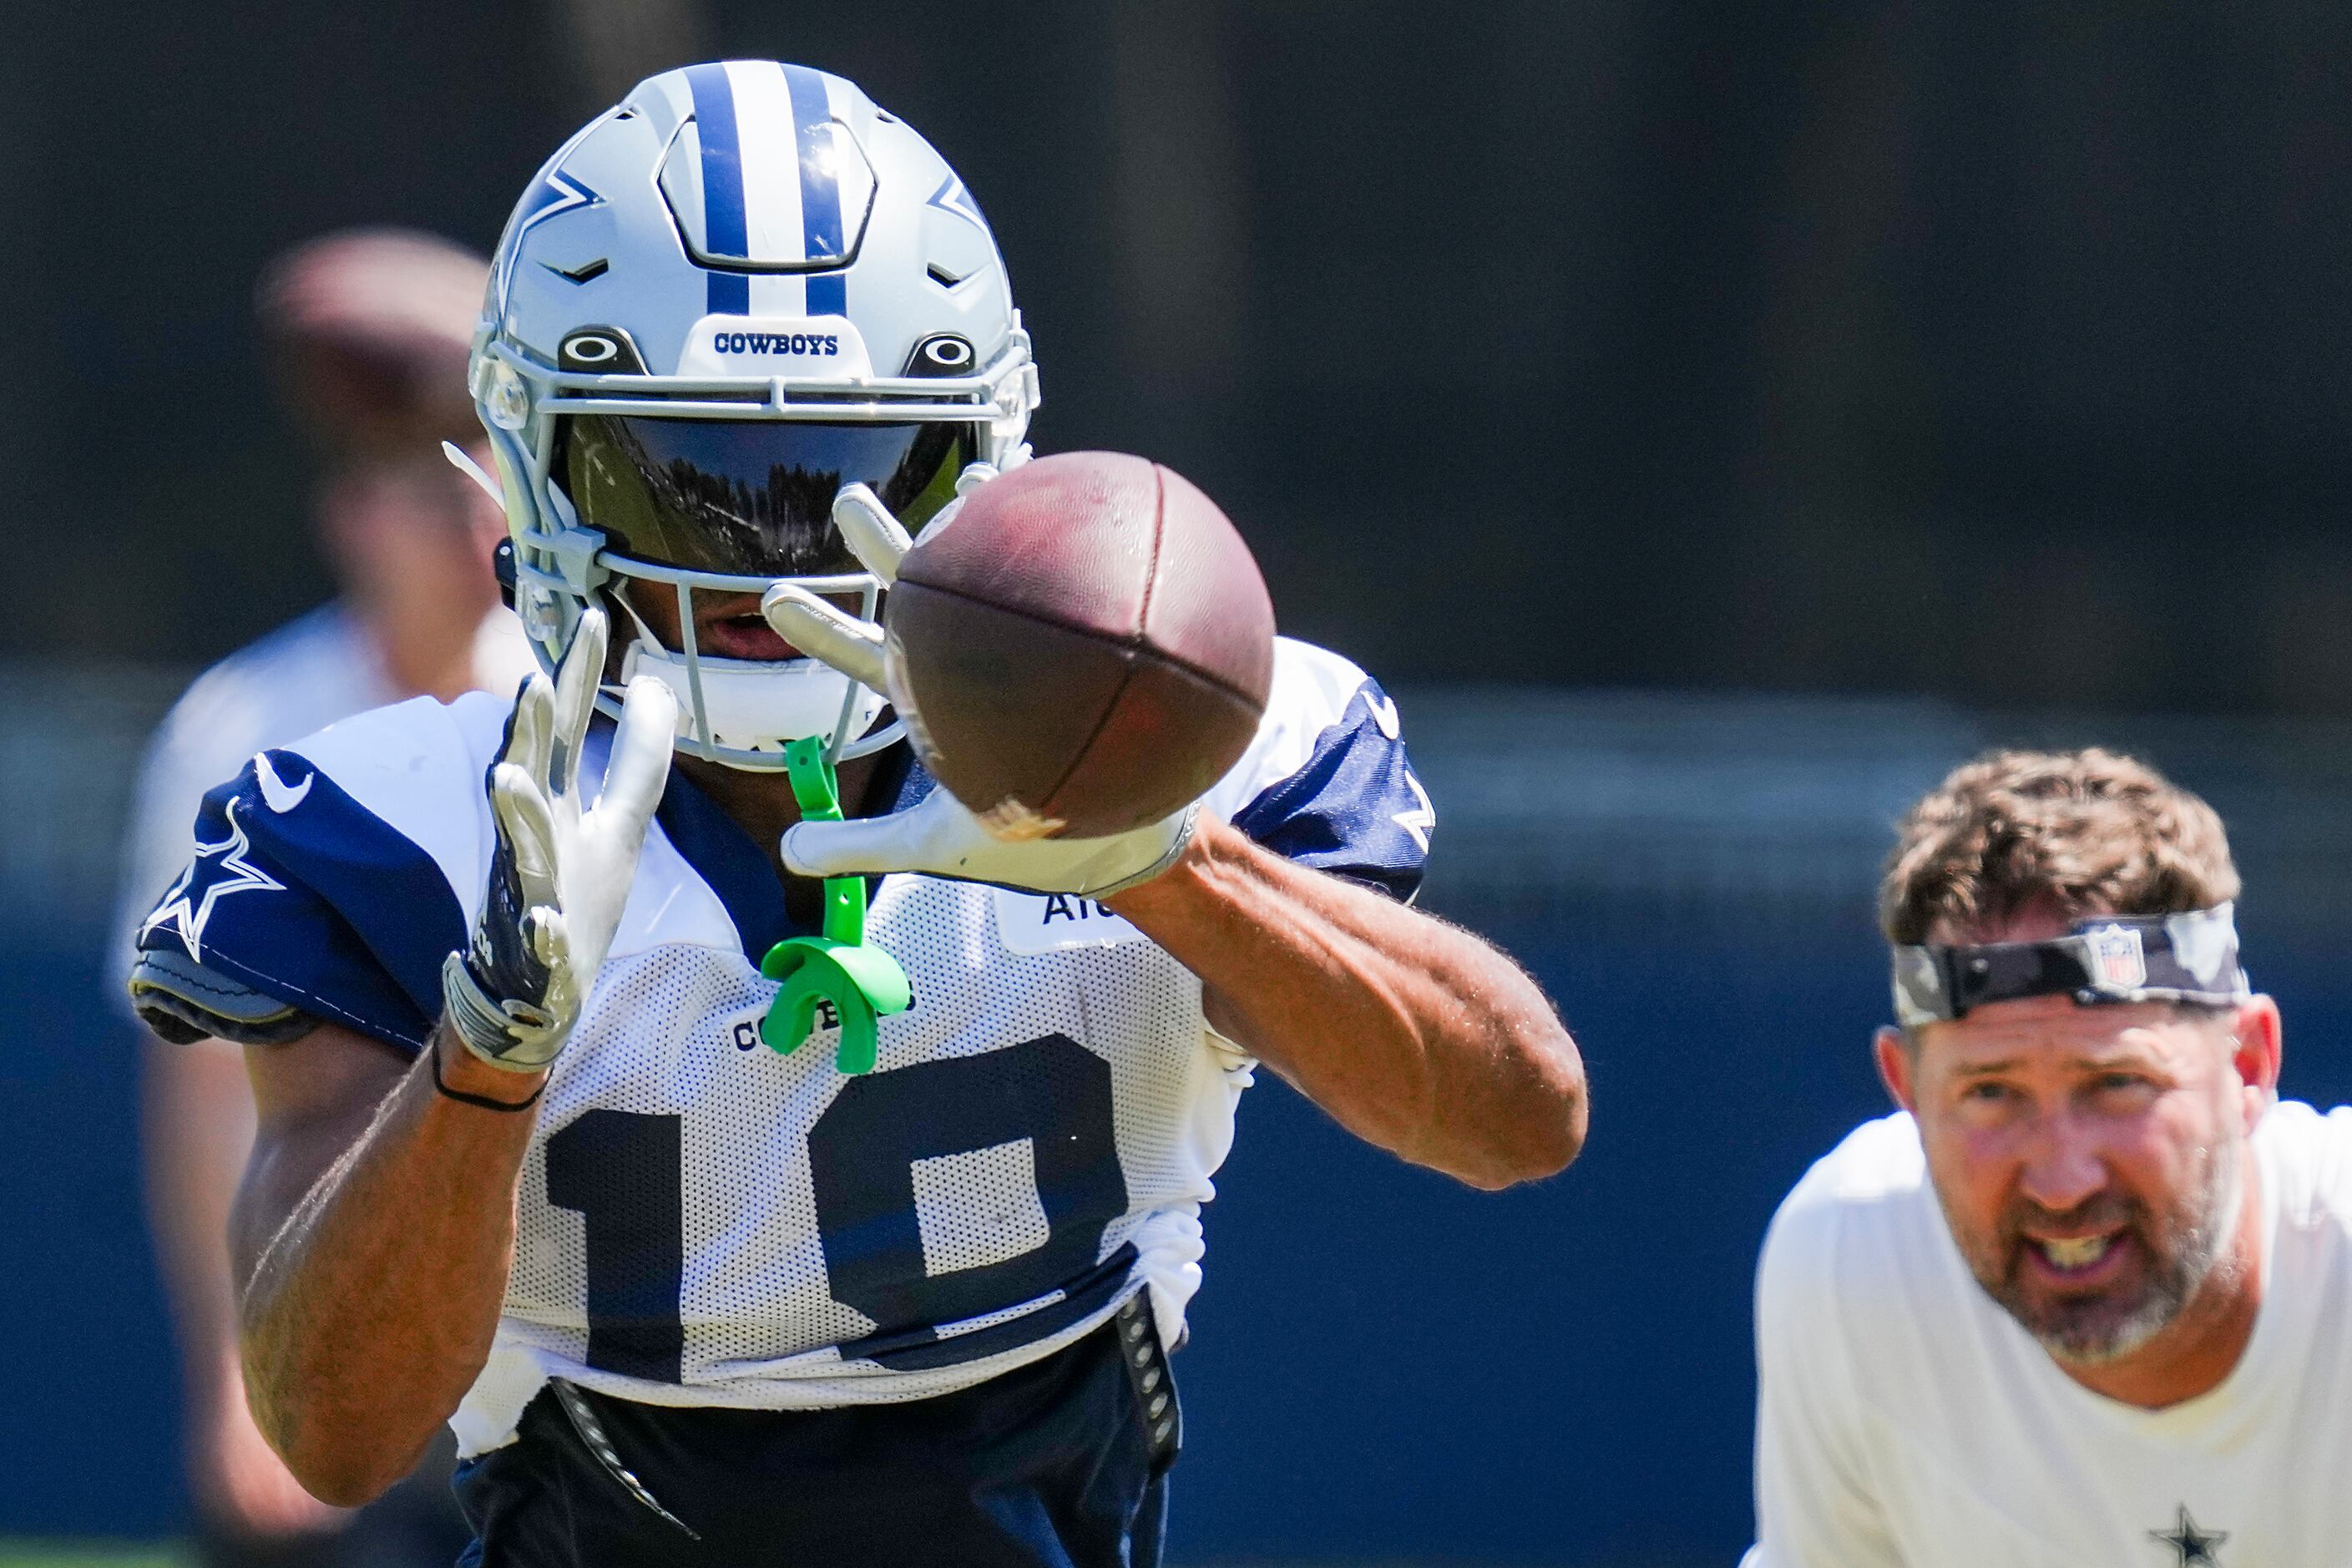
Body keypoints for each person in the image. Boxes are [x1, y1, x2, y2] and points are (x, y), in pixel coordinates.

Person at [125, 62, 1587, 1567]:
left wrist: (1167, 854)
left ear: (984, 461)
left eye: (850, 477)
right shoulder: (406, 825)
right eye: (687, 478)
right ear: (534, 466)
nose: (769, 564)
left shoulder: (1172, 742)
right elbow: (330, 1427)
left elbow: (1518, 1117)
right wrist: (485, 1056)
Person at [118, 228, 529, 1565]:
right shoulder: (248, 726)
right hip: (346, 1304)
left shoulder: (577, 701)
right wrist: (239, 1374)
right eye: (423, 488)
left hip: (554, 1335)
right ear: (349, 516)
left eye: (483, 483)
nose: (469, 523)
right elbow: (199, 1093)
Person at [1744, 747, 2352, 1565]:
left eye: (2117, 1084)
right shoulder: (1847, 1258)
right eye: (1991, 1093)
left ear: (2247, 1066)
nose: (2063, 1182)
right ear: (1910, 1097)